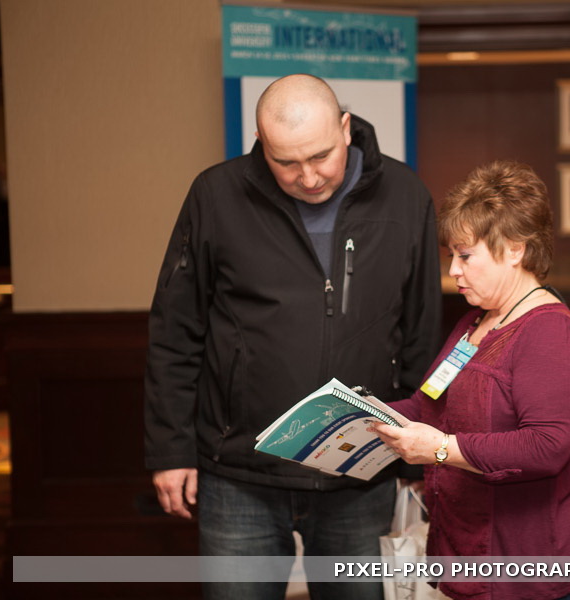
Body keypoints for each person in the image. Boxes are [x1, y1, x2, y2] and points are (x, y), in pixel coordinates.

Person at [144, 74, 442, 600]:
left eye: (321, 156)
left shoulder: (404, 195)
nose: (308, 177)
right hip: (240, 475)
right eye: (286, 162)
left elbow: (421, 330)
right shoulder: (216, 195)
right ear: (261, 143)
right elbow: (175, 332)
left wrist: (418, 451)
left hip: (360, 473)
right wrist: (170, 451)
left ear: (345, 128)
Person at [372, 160, 570, 600]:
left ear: (515, 249)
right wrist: (362, 415)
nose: (454, 271)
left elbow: (547, 447)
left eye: (465, 256)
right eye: (452, 257)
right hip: (471, 556)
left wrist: (440, 449)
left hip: (533, 569)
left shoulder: (551, 332)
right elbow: (428, 404)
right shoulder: (475, 321)